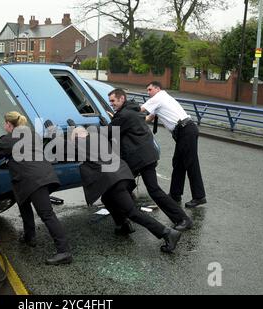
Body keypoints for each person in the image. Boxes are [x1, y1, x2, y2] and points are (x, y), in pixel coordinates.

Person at [0, 111, 72, 265]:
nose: (4, 125)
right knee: (23, 204)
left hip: (33, 179)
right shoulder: (33, 134)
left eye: (5, 123)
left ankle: (64, 251)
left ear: (9, 124)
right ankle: (29, 237)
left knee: (47, 214)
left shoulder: (9, 139)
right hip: (38, 176)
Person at [69, 126, 182, 253]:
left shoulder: (80, 143)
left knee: (132, 212)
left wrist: (52, 132)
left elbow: (63, 150)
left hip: (114, 181)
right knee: (107, 198)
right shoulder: (100, 138)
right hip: (124, 174)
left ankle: (167, 233)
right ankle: (123, 225)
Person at [107, 88, 193, 231]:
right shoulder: (132, 110)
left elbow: (108, 133)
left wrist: (83, 133)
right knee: (126, 186)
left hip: (141, 158)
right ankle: (125, 218)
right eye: (110, 101)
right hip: (144, 156)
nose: (111, 104)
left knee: (149, 190)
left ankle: (183, 219)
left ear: (122, 99)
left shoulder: (125, 115)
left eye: (113, 101)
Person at [141, 81, 206, 208]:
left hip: (185, 130)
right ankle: (175, 195)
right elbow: (148, 118)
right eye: (147, 90)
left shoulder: (158, 97)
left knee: (191, 164)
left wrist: (125, 112)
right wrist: (132, 121)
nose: (148, 92)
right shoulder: (162, 99)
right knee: (178, 163)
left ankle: (199, 196)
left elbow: (141, 109)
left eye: (150, 89)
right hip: (184, 131)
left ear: (157, 89)